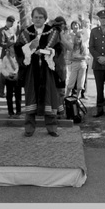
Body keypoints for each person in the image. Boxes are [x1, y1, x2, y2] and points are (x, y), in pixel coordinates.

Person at [15, 7, 64, 137]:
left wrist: (45, 52)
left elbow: (58, 49)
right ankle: (29, 128)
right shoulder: (26, 33)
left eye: (40, 17)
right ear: (32, 18)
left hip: (47, 70)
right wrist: (30, 48)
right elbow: (18, 50)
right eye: (35, 17)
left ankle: (52, 127)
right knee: (31, 97)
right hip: (31, 70)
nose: (38, 19)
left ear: (45, 19)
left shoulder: (52, 32)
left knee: (49, 96)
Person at [64, 21, 89, 99]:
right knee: (71, 82)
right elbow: (70, 57)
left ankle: (78, 98)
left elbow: (85, 57)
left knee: (80, 83)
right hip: (74, 65)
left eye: (79, 37)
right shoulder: (72, 47)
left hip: (82, 65)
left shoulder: (83, 47)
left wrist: (77, 57)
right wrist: (79, 58)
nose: (78, 39)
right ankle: (66, 97)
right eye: (77, 37)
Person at [0, 16, 18, 97]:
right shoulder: (2, 31)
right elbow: (1, 43)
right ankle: (2, 92)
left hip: (13, 53)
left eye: (13, 22)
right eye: (11, 22)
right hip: (6, 53)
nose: (12, 24)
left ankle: (12, 89)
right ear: (7, 21)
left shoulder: (12, 30)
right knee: (4, 72)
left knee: (13, 70)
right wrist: (10, 45)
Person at [0, 46, 22, 119]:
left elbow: (20, 66)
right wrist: (7, 74)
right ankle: (10, 112)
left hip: (17, 77)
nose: (13, 49)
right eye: (11, 47)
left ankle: (18, 111)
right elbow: (2, 68)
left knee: (18, 95)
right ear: (8, 49)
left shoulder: (18, 56)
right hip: (9, 78)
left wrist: (16, 73)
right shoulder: (5, 58)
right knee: (9, 96)